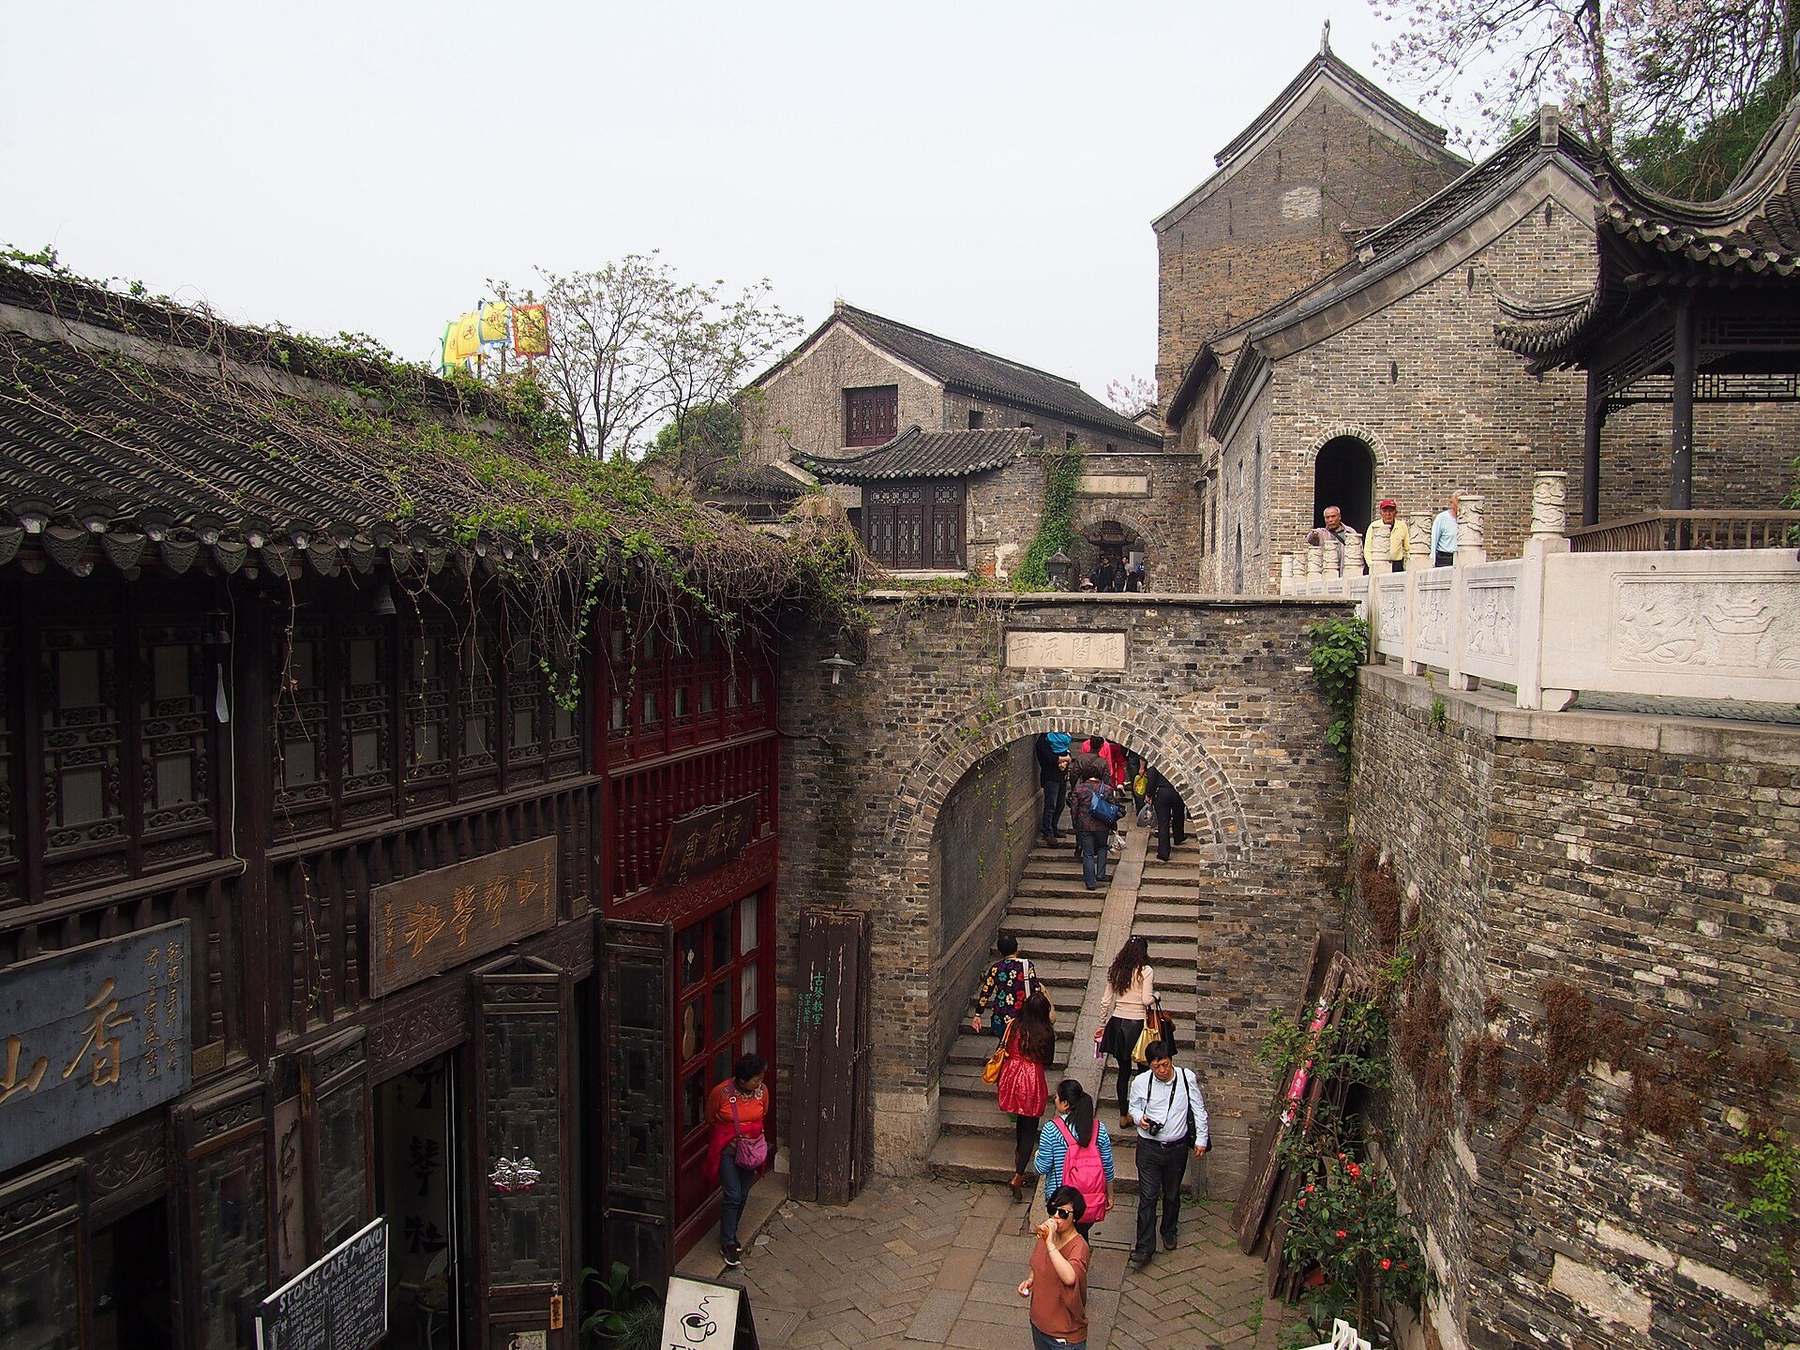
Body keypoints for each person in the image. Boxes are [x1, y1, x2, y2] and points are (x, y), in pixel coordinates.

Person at [1127, 1041, 1210, 1270]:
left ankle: (1169, 1230)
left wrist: (1201, 1139)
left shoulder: (1186, 1078)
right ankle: (1144, 1247)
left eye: (1164, 1065)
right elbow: (1132, 1107)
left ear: (1171, 1061)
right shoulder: (1141, 1082)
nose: (1162, 1071)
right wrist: (1139, 1118)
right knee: (1148, 1196)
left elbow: (1198, 1109)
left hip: (1176, 1147)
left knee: (1172, 1194)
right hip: (1148, 1147)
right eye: (1156, 1067)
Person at [704, 1053, 768, 1267]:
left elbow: (763, 1112)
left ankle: (731, 1230)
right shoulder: (721, 1093)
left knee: (743, 1193)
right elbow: (711, 1117)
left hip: (751, 1151)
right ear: (742, 1080)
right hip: (728, 1150)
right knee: (732, 1193)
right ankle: (728, 1242)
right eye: (756, 1079)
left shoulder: (762, 1092)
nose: (760, 1083)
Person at [1033, 1081, 1114, 1241]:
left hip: (1061, 1202)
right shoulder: (1098, 1129)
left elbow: (1042, 1168)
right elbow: (1107, 1166)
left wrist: (1037, 1156)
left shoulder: (1051, 1130)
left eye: (1056, 1097)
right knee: (1080, 1239)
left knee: (1062, 1244)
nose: (1054, 1099)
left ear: (1065, 1104)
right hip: (1090, 1201)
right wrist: (1109, 1195)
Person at [997, 989, 1056, 1199]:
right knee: (1030, 1128)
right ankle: (1019, 1174)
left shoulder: (1014, 1026)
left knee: (1020, 1122)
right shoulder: (1046, 1032)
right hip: (1031, 1077)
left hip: (1011, 1075)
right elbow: (1048, 1060)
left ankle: (1018, 1157)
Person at [1018, 1184, 1092, 1350]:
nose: (1056, 1217)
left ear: (1074, 1217)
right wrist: (1031, 1280)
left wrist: (1050, 1243)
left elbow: (1070, 1277)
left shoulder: (1078, 1247)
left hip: (1063, 1337)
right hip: (1039, 1326)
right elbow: (1037, 1263)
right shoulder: (1046, 1236)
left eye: (1063, 1213)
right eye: (1053, 1209)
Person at [1096, 936, 1154, 1128]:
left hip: (1118, 1023)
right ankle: (1142, 1112)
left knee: (1123, 1071)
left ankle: (1123, 1114)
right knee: (1143, 1071)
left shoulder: (1117, 971)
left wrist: (1102, 1024)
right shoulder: (1145, 971)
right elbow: (1146, 1000)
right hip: (1137, 1025)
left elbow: (1106, 1001)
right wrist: (1156, 996)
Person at [971, 934, 1035, 1037]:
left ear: (1000, 951)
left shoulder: (996, 968)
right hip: (1022, 1015)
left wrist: (978, 1014)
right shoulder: (1027, 965)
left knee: (1004, 1043)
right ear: (1017, 948)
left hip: (1000, 1017)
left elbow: (986, 992)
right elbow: (1035, 988)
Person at [1069, 768, 1117, 892]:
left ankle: (1090, 882)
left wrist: (1075, 824)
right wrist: (1113, 825)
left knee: (1088, 854)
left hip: (1085, 825)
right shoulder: (1107, 789)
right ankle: (1101, 875)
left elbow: (1074, 808)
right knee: (1102, 847)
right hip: (1102, 825)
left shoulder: (1079, 789)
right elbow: (1112, 808)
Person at [1034, 733, 1071, 845]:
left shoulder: (1063, 737)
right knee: (1051, 805)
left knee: (1060, 804)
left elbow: (1067, 751)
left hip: (1061, 776)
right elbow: (1048, 757)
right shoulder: (1044, 739)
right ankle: (1047, 832)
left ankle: (1054, 827)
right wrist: (1063, 759)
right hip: (1050, 776)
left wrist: (1065, 761)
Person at [1306, 505, 1362, 576]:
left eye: (1333, 516)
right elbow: (1310, 539)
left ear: (1339, 517)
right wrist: (1313, 534)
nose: (1330, 520)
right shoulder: (1321, 533)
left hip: (1347, 571)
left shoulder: (1350, 532)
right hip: (1328, 573)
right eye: (1327, 517)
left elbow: (1359, 551)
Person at [1146, 766, 1186, 862]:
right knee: (1179, 815)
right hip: (1177, 791)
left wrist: (1148, 794)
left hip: (1162, 792)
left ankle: (1163, 852)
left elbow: (1151, 778)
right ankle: (1178, 836)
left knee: (1163, 823)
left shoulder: (1158, 762)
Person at [1363, 498, 1410, 571]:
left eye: (1391, 511)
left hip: (1396, 565)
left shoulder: (1402, 526)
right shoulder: (1374, 526)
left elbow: (1408, 549)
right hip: (1377, 563)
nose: (1388, 514)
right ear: (1381, 513)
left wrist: (1407, 566)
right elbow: (1367, 549)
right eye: (1385, 511)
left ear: (1395, 512)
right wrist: (1371, 565)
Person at [1432, 491, 1461, 567]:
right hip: (1444, 558)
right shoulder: (1442, 518)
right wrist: (1432, 560)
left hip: (1461, 558)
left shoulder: (1467, 519)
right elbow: (1434, 540)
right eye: (1453, 503)